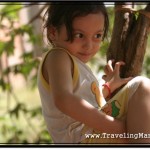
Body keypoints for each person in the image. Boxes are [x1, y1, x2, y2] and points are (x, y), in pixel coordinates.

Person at [37, 2, 150, 143]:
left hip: (89, 134)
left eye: (97, 35)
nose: (89, 45)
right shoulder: (58, 56)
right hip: (82, 138)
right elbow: (64, 100)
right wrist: (119, 129)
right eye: (79, 35)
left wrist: (108, 87)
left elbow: (85, 101)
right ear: (53, 32)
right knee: (141, 86)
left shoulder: (74, 63)